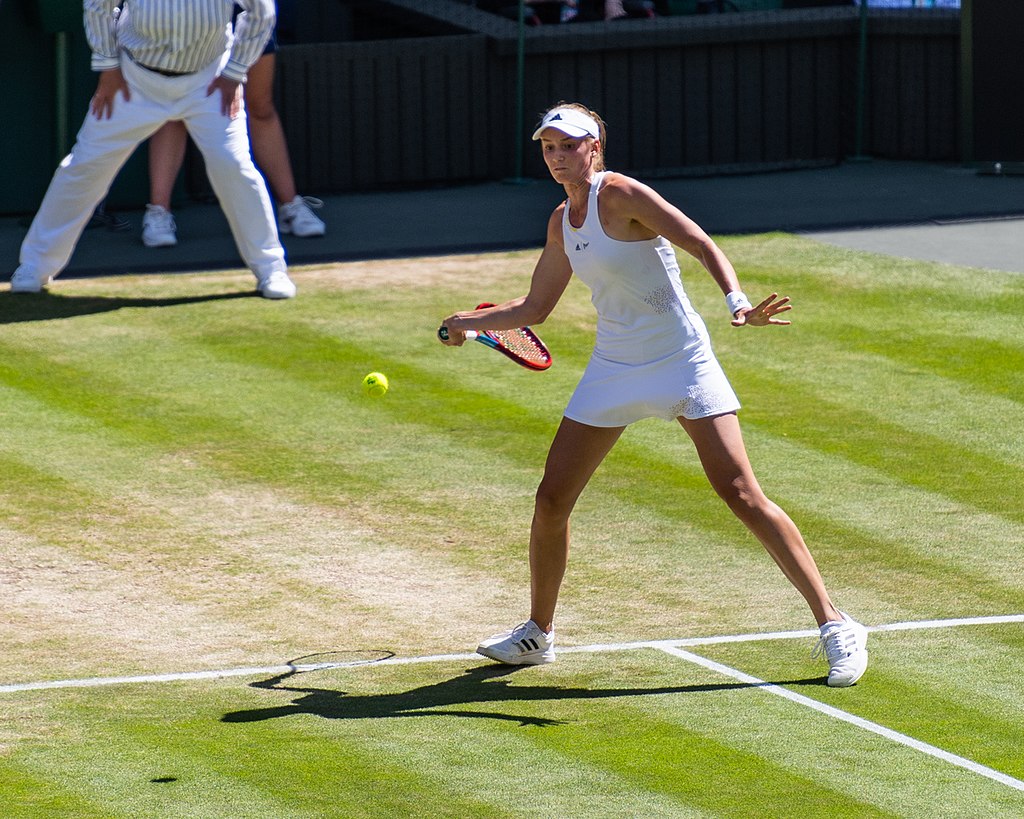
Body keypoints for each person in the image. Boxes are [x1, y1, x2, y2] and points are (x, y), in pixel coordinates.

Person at [439, 102, 868, 687]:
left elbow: (700, 243)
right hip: (615, 365)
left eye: (569, 146)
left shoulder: (623, 195)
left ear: (595, 147)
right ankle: (538, 634)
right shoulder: (562, 220)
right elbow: (536, 307)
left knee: (740, 492)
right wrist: (466, 321)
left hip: (681, 359)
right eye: (549, 148)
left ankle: (836, 624)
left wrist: (735, 302)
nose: (558, 157)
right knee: (551, 500)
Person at [8, 0, 296, 299]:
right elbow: (98, 6)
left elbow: (262, 11)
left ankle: (271, 268)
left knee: (234, 167)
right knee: (83, 166)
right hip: (134, 79)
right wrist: (108, 67)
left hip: (209, 83)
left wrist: (235, 72)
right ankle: (34, 265)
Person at [142, 13, 324, 249]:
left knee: (260, 105)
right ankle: (159, 213)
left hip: (247, 11)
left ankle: (290, 205)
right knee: (175, 111)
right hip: (188, 13)